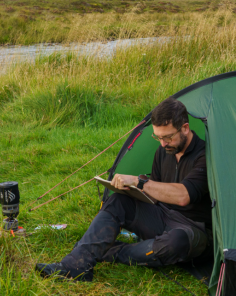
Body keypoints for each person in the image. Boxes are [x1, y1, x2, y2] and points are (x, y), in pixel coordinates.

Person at [35, 97, 210, 281]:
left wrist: (140, 182)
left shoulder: (205, 157)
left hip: (192, 229)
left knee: (175, 243)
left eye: (168, 137)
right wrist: (134, 192)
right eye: (158, 137)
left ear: (185, 128)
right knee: (120, 200)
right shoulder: (164, 151)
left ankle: (109, 251)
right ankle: (76, 266)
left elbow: (184, 195)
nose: (163, 144)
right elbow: (157, 196)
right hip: (162, 217)